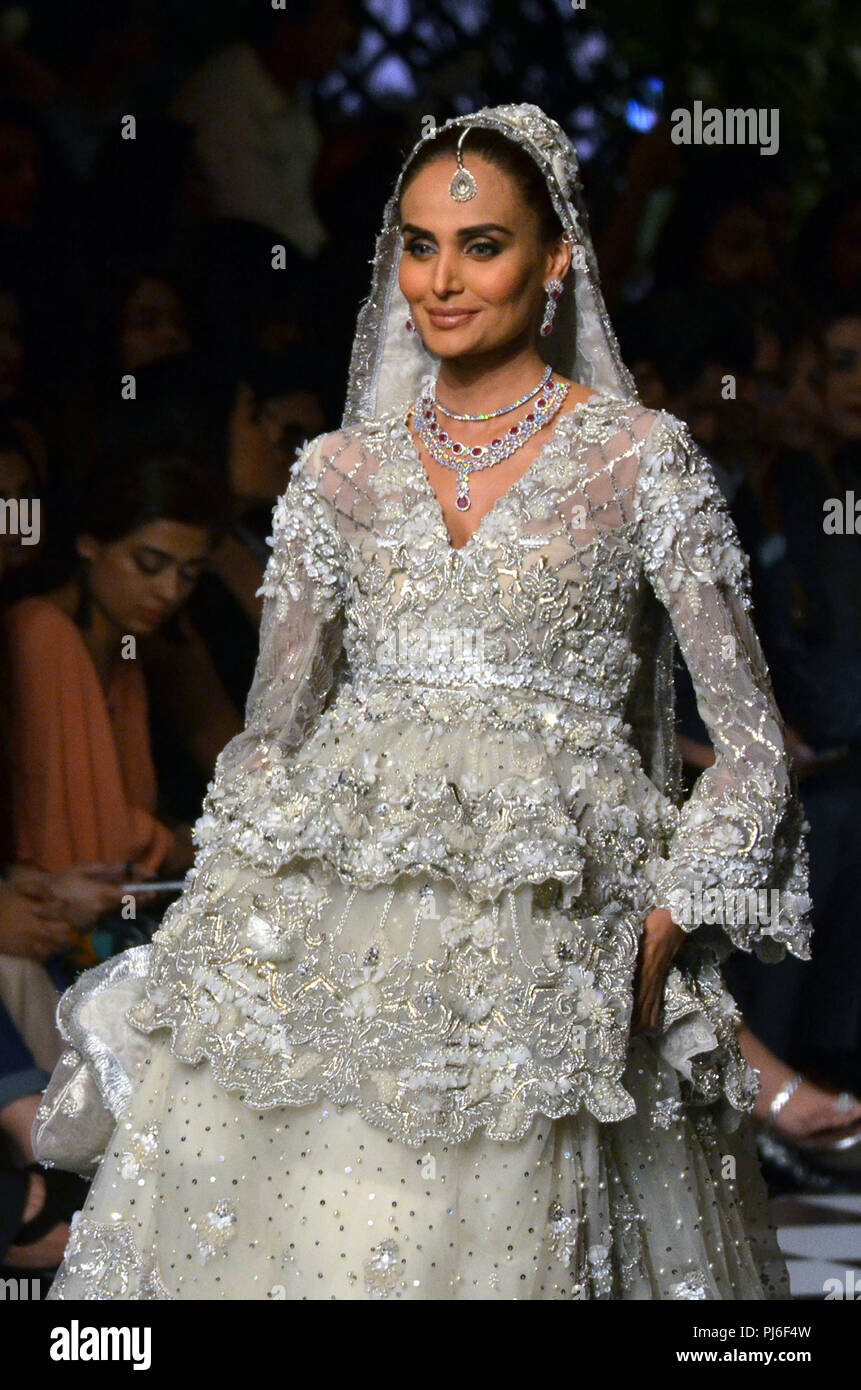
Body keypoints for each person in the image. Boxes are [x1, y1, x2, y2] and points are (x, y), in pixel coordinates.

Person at [33, 104, 812, 1301]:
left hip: (550, 930)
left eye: (482, 244)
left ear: (558, 259)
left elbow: (753, 748)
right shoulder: (337, 470)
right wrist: (239, 914)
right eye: (419, 244)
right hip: (339, 924)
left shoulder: (640, 458)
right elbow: (273, 734)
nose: (442, 280)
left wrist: (664, 925)